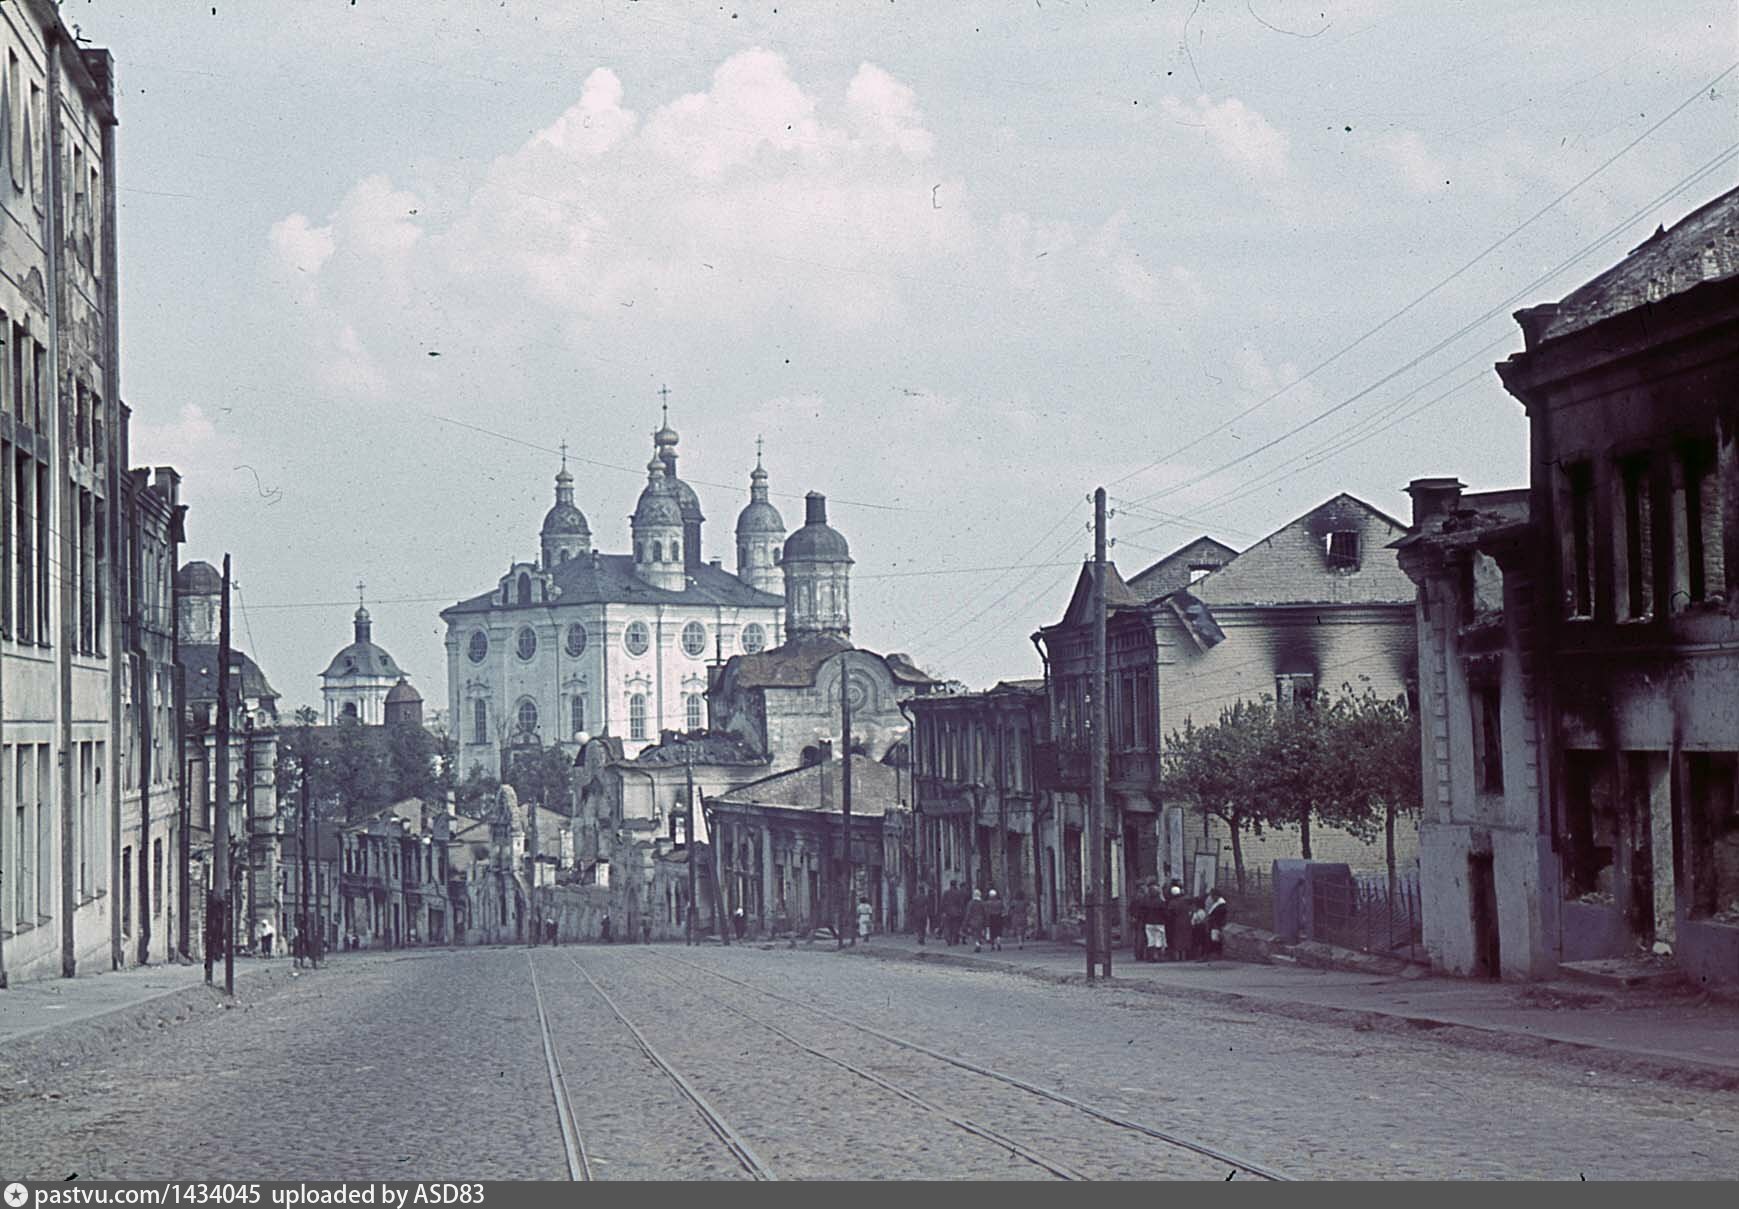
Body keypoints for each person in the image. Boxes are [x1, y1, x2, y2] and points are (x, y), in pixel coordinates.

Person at [1165, 879, 1194, 963]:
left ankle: (1177, 957)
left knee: (1177, 939)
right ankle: (1184, 956)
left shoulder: (1172, 902)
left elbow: (1169, 913)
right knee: (1185, 938)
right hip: (1186, 921)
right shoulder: (1186, 900)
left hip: (1176, 922)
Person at [1200, 887, 1229, 960]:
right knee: (1211, 940)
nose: (1212, 898)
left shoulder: (1221, 905)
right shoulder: (1217, 904)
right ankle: (1210, 955)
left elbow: (1218, 916)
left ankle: (1212, 955)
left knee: (1214, 940)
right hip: (1213, 924)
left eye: (1213, 896)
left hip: (1216, 925)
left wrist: (1211, 920)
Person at [941, 880, 965, 947]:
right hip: (956, 912)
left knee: (948, 926)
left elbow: (942, 903)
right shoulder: (958, 893)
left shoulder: (946, 893)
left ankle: (948, 939)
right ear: (955, 885)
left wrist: (942, 911)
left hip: (948, 912)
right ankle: (953, 940)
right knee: (955, 926)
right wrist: (962, 911)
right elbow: (961, 903)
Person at [913, 881, 934, 945]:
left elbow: (913, 906)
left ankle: (920, 938)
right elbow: (929, 906)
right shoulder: (926, 897)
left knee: (919, 926)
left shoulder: (915, 897)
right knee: (923, 926)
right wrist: (930, 913)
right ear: (923, 890)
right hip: (924, 914)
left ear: (919, 890)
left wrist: (912, 913)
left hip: (917, 914)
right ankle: (922, 938)